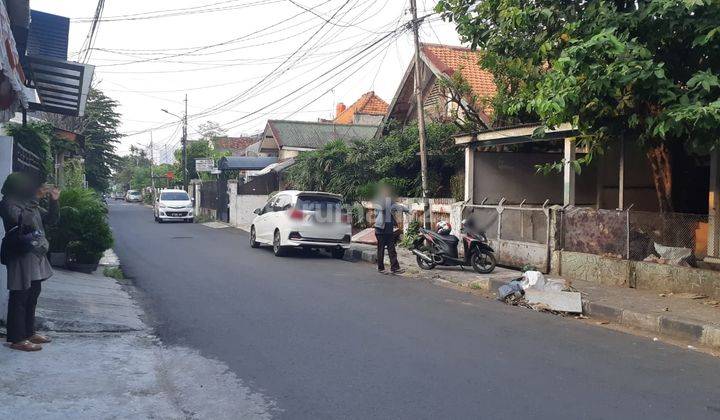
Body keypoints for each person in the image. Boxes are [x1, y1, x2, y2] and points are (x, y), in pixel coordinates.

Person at [0, 173, 59, 352]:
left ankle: (29, 332)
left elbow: (51, 220)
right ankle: (17, 339)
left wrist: (54, 201)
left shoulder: (28, 202)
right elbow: (22, 222)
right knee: (20, 295)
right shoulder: (8, 203)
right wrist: (36, 198)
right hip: (20, 253)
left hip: (35, 253)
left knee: (33, 292)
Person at [373, 184, 409, 274]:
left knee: (392, 249)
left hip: (388, 230)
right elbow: (383, 207)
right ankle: (380, 268)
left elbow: (397, 206)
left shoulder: (389, 200)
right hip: (380, 230)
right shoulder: (379, 200)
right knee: (381, 249)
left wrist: (407, 210)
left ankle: (395, 268)